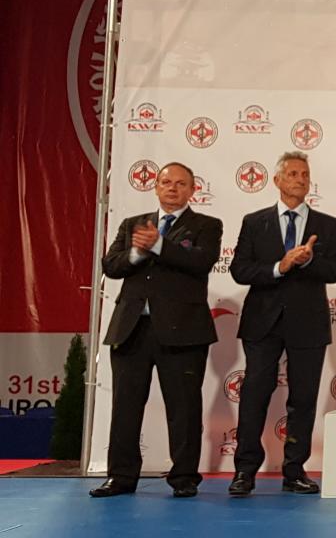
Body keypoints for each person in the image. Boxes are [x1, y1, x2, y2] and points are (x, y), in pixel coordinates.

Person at [92, 162, 223, 498]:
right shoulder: (133, 224)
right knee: (125, 407)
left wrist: (160, 245)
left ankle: (184, 478)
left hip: (184, 332)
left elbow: (201, 261)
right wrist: (138, 251)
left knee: (184, 408)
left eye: (180, 183)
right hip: (132, 329)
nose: (172, 188)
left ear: (192, 189)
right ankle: (120, 477)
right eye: (166, 182)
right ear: (156, 186)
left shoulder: (207, 225)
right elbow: (111, 266)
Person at [228, 151, 336, 496]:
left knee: (303, 399)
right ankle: (244, 471)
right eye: (293, 173)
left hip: (308, 324)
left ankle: (294, 470)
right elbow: (240, 270)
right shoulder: (255, 222)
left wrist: (307, 262)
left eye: (305, 174)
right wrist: (279, 267)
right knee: (254, 396)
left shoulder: (328, 225)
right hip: (262, 323)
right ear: (277, 180)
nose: (300, 179)